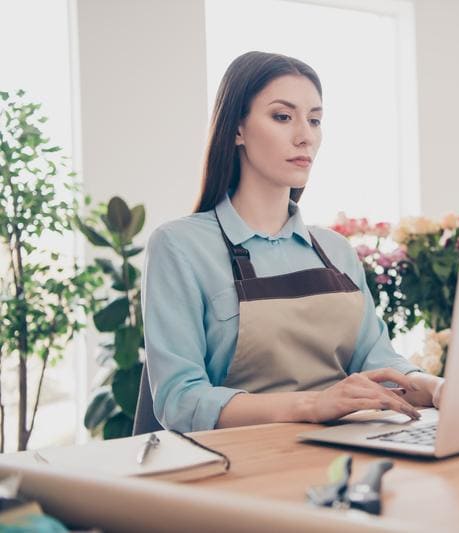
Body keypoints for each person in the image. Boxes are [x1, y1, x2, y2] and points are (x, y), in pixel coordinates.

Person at [142, 51, 443, 432]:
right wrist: (314, 404)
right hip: (241, 465)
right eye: (283, 117)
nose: (305, 136)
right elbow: (179, 401)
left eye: (314, 120)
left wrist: (436, 388)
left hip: (345, 452)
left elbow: (376, 363)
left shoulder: (335, 250)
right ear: (236, 128)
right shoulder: (179, 246)